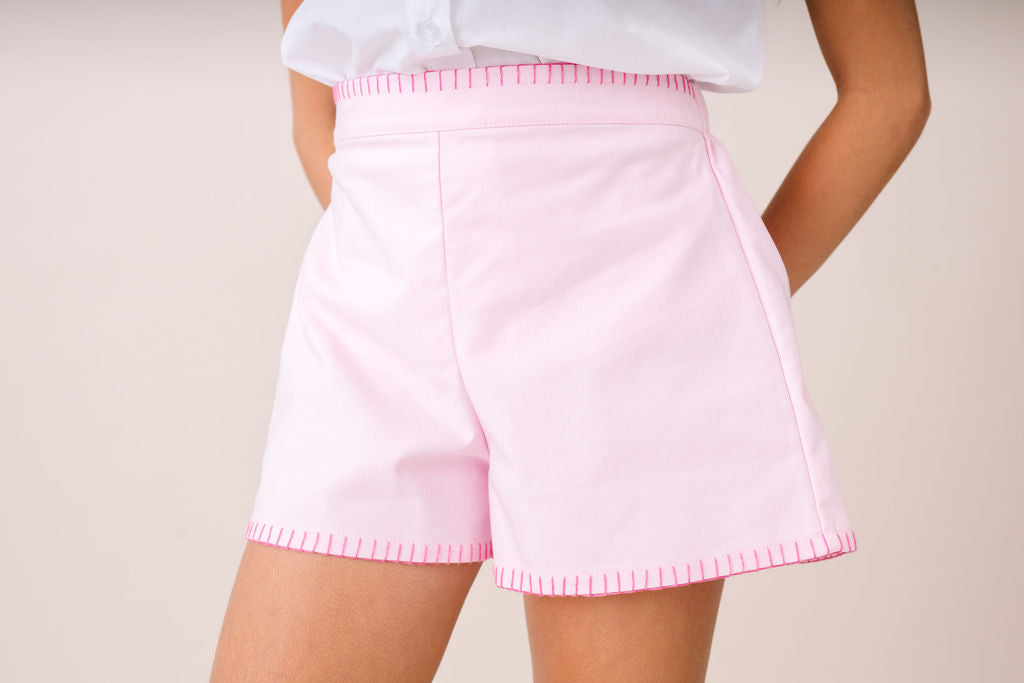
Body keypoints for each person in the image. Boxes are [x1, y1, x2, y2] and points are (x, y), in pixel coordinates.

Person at [211, 1, 930, 680]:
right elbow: (315, 107)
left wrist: (733, 291)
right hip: (376, 282)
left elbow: (889, 90)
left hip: (632, 274)